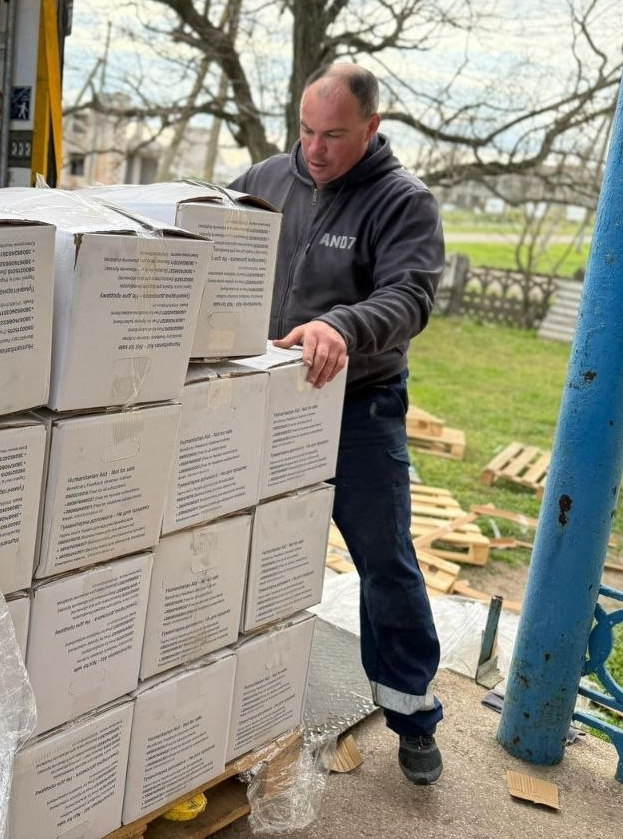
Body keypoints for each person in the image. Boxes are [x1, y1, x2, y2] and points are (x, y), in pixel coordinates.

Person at [230, 63, 446, 785]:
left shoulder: (403, 202)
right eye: (306, 131)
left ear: (372, 128)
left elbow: (411, 296)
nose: (315, 150)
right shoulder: (265, 179)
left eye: (334, 136)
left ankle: (412, 712)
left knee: (384, 560)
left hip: (360, 407)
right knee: (238, 543)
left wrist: (341, 326)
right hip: (267, 398)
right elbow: (211, 234)